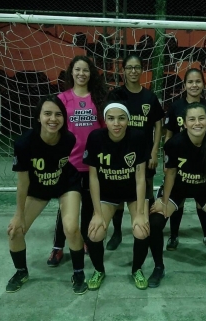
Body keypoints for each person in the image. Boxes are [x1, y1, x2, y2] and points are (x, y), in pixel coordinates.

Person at [6, 94, 88, 295]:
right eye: (48, 114)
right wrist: (18, 214)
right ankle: (21, 272)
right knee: (14, 231)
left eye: (58, 114)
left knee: (71, 228)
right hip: (38, 189)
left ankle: (78, 273)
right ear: (38, 117)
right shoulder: (24, 144)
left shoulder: (68, 139)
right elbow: (23, 183)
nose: (53, 119)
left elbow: (62, 165)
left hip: (66, 184)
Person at [149, 102, 206, 288]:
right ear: (185, 123)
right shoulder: (174, 143)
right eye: (192, 119)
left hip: (204, 189)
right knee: (155, 221)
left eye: (201, 118)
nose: (197, 123)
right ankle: (158, 267)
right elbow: (170, 174)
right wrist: (163, 202)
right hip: (178, 188)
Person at [83, 93, 151, 290]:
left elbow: (140, 178)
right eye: (111, 118)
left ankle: (136, 269)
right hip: (107, 193)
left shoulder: (137, 137)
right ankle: (99, 270)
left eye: (121, 118)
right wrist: (97, 213)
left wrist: (138, 213)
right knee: (95, 233)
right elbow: (93, 178)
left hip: (132, 192)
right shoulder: (96, 138)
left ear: (128, 119)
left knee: (141, 230)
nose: (116, 123)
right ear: (105, 120)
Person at [47, 55, 107, 267]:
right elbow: (55, 129)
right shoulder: (62, 99)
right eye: (78, 70)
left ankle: (86, 240)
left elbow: (104, 130)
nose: (81, 74)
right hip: (69, 163)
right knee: (65, 207)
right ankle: (58, 247)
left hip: (92, 163)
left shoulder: (98, 99)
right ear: (71, 72)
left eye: (86, 70)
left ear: (91, 74)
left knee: (90, 205)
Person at [106, 53, 164, 251]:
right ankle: (117, 232)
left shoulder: (149, 97)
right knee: (119, 195)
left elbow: (158, 123)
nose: (133, 71)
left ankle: (144, 229)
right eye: (129, 68)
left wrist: (154, 151)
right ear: (123, 71)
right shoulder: (116, 95)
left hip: (143, 156)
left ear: (142, 70)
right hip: (120, 155)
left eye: (136, 67)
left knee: (144, 194)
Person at [163, 68, 206, 251]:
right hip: (180, 163)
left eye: (198, 81)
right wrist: (167, 163)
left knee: (202, 199)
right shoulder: (176, 107)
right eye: (190, 82)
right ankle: (174, 236)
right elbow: (169, 136)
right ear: (184, 85)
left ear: (203, 84)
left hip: (203, 162)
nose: (194, 85)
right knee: (178, 198)